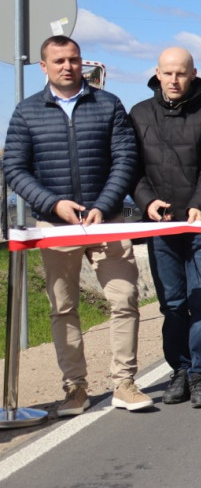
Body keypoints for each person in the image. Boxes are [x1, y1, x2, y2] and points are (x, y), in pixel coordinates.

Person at [2, 35, 153, 414]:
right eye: (59, 61)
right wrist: (52, 203)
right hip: (56, 226)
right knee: (63, 308)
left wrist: (104, 204)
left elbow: (125, 160)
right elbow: (14, 168)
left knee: (124, 299)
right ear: (44, 67)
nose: (67, 67)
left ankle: (124, 383)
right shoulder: (26, 111)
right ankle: (75, 388)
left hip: (108, 221)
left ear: (81, 62)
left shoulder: (108, 105)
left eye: (73, 59)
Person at [130, 47, 201, 408]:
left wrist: (199, 204)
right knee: (172, 304)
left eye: (181, 73)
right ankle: (180, 369)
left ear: (193, 74)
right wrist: (146, 202)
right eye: (167, 73)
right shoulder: (139, 114)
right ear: (157, 73)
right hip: (160, 224)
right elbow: (131, 167)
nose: (173, 80)